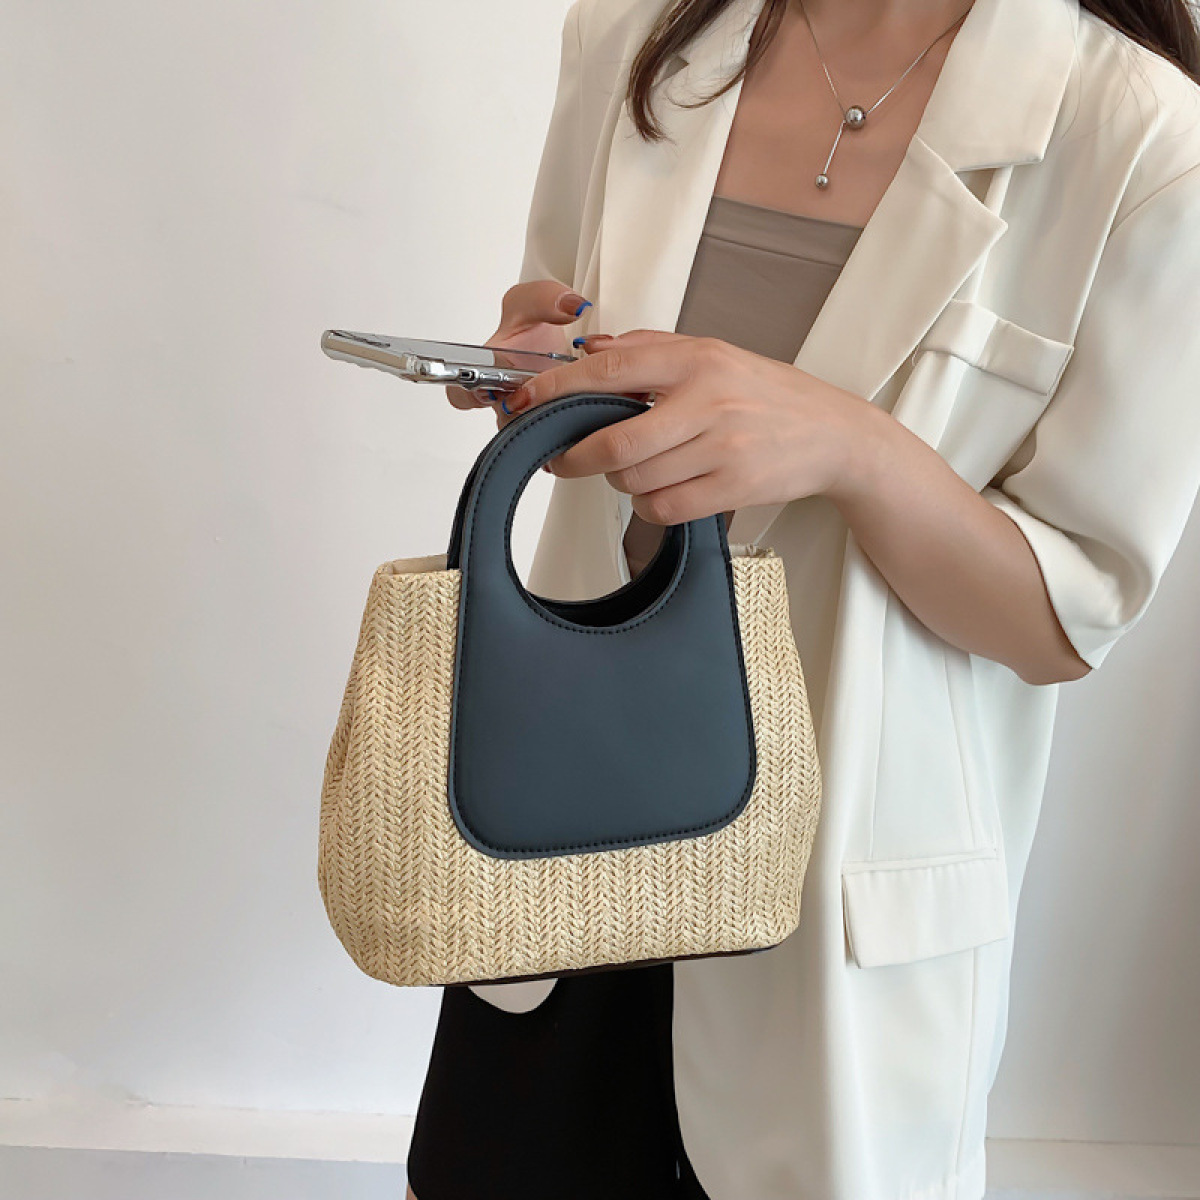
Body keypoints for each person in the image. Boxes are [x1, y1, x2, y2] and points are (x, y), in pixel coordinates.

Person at [405, 0, 1200, 1196]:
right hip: (562, 818)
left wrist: (849, 445)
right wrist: (543, 380)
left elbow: (1062, 619)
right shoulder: (631, 36)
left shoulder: (1146, 142)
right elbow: (569, 350)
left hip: (832, 889)